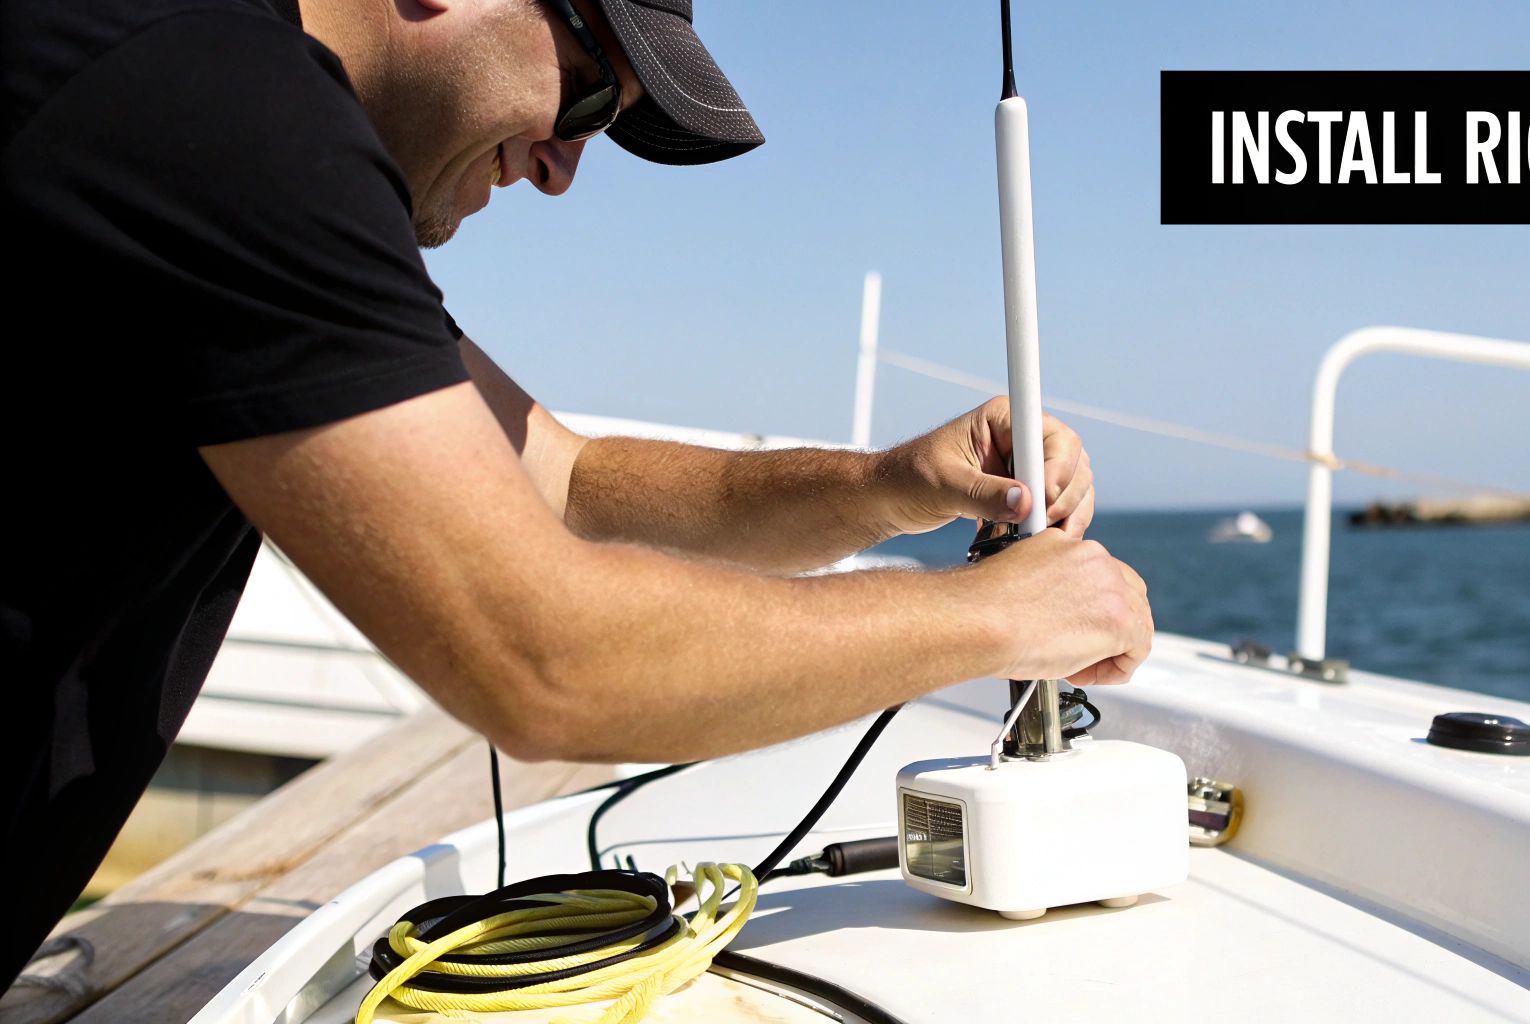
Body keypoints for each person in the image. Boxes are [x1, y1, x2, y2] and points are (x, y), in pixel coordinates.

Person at [0, 0, 1154, 988]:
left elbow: (560, 476)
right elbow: (545, 662)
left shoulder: (199, 97)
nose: (559, 168)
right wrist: (1002, 615)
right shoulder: (216, 113)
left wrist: (886, 485)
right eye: (592, 94)